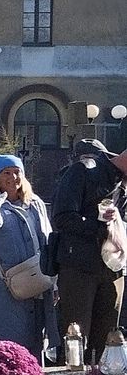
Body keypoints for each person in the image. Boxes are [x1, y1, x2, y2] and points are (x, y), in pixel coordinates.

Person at [50, 138, 127, 362]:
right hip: (80, 268)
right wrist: (99, 225)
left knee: (109, 341)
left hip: (114, 269)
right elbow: (62, 217)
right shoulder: (83, 171)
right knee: (75, 336)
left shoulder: (121, 183)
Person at [0, 154, 56, 360]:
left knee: (36, 339)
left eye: (17, 172)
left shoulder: (35, 203)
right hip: (8, 283)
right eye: (6, 173)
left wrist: (54, 280)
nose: (13, 177)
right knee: (11, 341)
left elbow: (47, 237)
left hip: (38, 279)